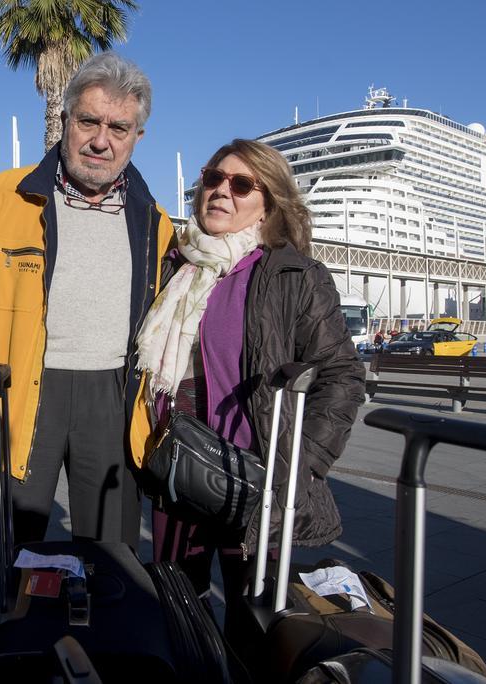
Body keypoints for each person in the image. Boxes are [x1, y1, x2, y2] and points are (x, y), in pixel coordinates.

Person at [0, 52, 174, 671]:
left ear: (138, 136)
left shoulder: (158, 224)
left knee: (112, 555)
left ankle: (101, 661)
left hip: (112, 401)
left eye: (119, 129)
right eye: (90, 121)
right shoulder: (2, 199)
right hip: (21, 399)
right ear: (64, 120)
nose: (101, 140)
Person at [135, 139, 365, 633]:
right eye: (213, 178)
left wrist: (302, 466)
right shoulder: (176, 266)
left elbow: (342, 375)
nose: (221, 191)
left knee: (255, 625)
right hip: (177, 473)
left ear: (270, 201)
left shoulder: (293, 274)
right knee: (180, 616)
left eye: (241, 184)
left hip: (256, 482)